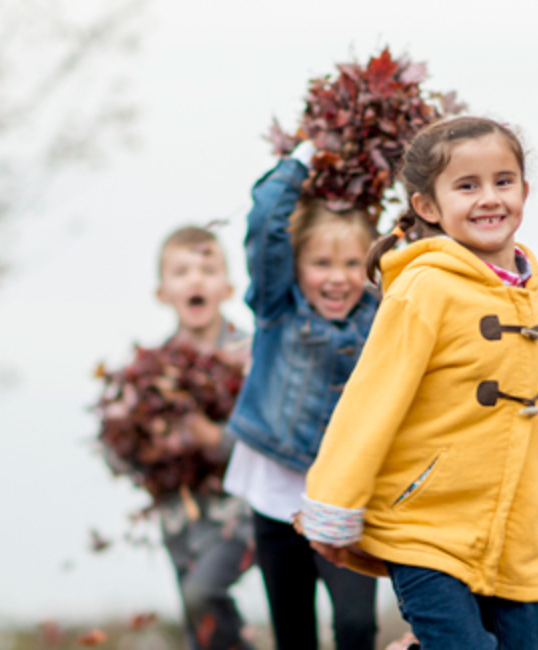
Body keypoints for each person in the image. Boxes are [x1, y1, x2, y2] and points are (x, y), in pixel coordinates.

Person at [299, 116, 538, 650]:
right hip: (425, 531)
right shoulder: (422, 290)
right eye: (467, 186)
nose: (489, 198)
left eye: (503, 181)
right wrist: (333, 505)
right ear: (428, 206)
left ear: (524, 191)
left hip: (515, 545)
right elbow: (370, 402)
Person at [222, 140, 382, 650]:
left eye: (353, 263)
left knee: (356, 626)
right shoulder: (278, 308)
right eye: (321, 263)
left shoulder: (381, 318)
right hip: (275, 495)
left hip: (345, 497)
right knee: (294, 633)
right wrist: (305, 156)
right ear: (296, 266)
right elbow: (266, 220)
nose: (338, 278)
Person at [151, 225, 255, 650]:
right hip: (179, 517)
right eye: (181, 271)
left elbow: (269, 435)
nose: (195, 279)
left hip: (242, 513)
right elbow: (118, 449)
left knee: (203, 593)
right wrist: (149, 444)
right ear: (162, 292)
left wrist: (215, 437)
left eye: (207, 269)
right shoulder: (151, 371)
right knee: (200, 631)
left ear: (227, 287)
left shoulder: (250, 353)